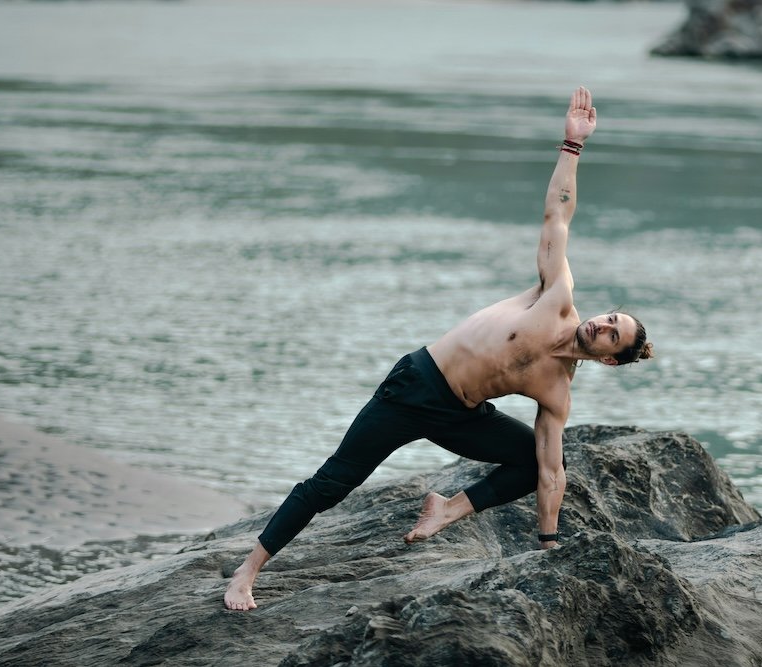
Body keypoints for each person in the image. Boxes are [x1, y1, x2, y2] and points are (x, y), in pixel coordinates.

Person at [224, 86, 654, 611]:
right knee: (332, 482)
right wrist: (572, 146)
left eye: (613, 334)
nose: (602, 326)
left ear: (610, 358)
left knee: (537, 456)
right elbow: (557, 216)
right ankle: (246, 573)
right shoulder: (555, 295)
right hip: (416, 384)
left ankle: (446, 510)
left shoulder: (556, 391)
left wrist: (549, 545)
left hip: (460, 413)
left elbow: (548, 474)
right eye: (609, 318)